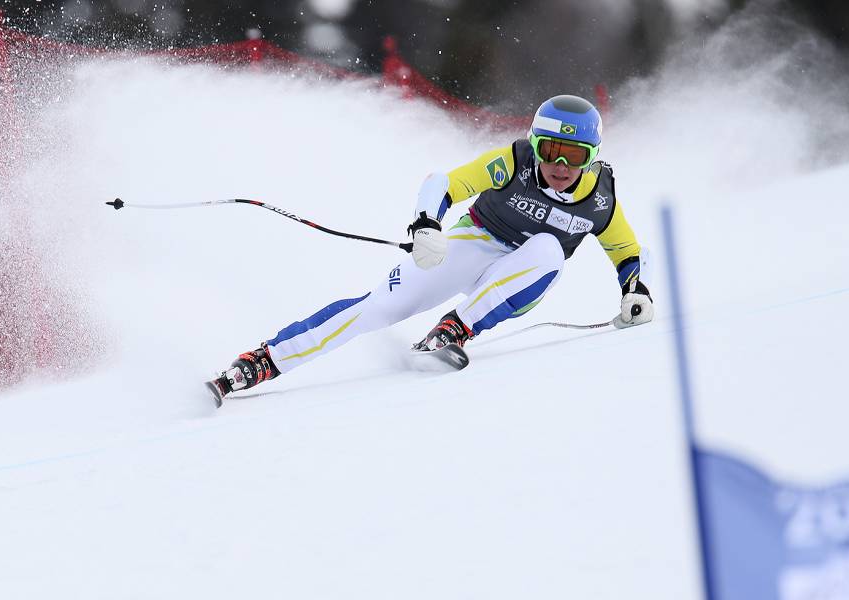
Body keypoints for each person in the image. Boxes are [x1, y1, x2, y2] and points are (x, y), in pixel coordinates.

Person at [205, 94, 653, 405]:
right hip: (476, 242)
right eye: (551, 149)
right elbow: (445, 182)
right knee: (378, 307)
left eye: (573, 156)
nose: (559, 165)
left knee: (548, 250)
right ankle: (262, 361)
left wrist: (636, 291)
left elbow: (628, 251)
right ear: (534, 144)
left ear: (591, 157)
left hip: (517, 282)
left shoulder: (601, 198)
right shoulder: (513, 162)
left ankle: (453, 331)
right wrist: (426, 223)